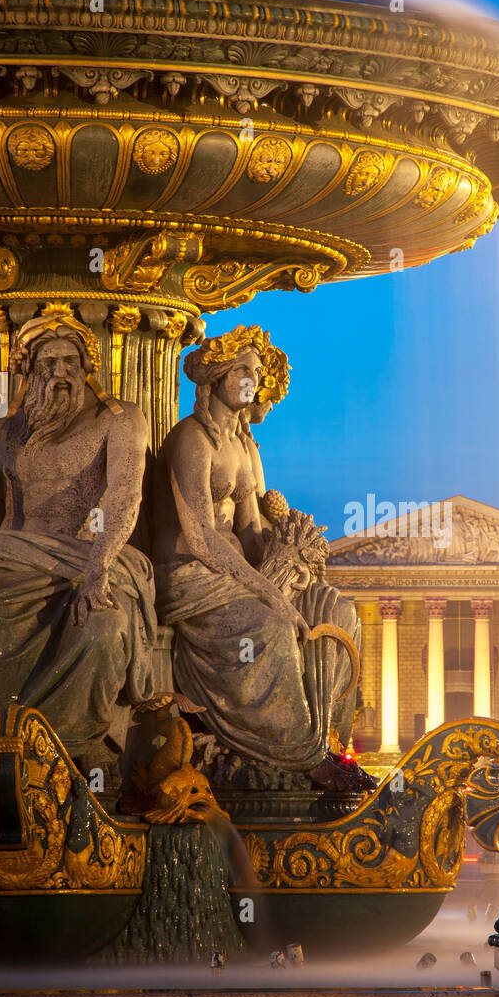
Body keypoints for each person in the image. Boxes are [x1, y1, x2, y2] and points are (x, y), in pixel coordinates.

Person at [151, 324, 373, 794]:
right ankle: (296, 753)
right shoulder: (191, 439)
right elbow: (200, 537)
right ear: (216, 377)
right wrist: (271, 591)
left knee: (334, 609)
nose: (253, 382)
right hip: (189, 576)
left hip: (236, 575)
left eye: (256, 373)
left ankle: (321, 735)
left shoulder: (244, 446)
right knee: (272, 626)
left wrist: (290, 556)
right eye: (243, 371)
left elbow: (250, 532)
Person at [0, 308, 156, 772]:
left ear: (89, 367)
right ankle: (1, 743)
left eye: (70, 361)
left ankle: (80, 751)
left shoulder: (121, 419)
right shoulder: (2, 428)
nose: (60, 374)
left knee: (104, 627)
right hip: (12, 558)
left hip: (95, 554)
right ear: (27, 371)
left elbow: (125, 492)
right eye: (47, 364)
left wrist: (98, 572)